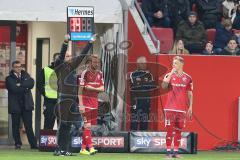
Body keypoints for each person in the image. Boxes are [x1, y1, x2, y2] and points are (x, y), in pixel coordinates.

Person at [54, 34, 96, 156]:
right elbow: (61, 55)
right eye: (67, 56)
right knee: (63, 125)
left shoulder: (71, 67)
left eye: (70, 56)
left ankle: (65, 150)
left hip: (73, 99)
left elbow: (81, 56)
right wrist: (65, 42)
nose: (69, 57)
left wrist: (90, 42)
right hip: (64, 98)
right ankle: (60, 149)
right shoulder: (59, 66)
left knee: (68, 126)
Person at [161, 56, 193, 158]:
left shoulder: (188, 78)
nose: (173, 65)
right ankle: (168, 152)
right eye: (173, 63)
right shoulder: (169, 75)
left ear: (181, 64)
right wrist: (171, 73)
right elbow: (163, 86)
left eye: (176, 63)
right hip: (169, 108)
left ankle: (175, 152)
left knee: (179, 130)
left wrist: (191, 107)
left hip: (181, 109)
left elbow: (190, 93)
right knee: (169, 130)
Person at [5, 61, 37, 149]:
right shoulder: (9, 78)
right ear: (12, 68)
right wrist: (25, 87)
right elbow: (13, 88)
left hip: (27, 105)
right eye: (16, 67)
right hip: (15, 105)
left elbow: (31, 83)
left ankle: (33, 144)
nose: (18, 68)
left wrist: (20, 85)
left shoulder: (26, 75)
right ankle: (18, 143)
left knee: (28, 126)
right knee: (15, 126)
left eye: (20, 66)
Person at [78, 54, 104, 155]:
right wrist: (81, 104)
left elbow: (102, 89)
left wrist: (90, 88)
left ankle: (83, 149)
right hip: (85, 103)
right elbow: (80, 90)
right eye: (94, 62)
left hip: (94, 103)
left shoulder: (100, 74)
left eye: (98, 62)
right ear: (90, 63)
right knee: (87, 125)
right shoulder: (85, 73)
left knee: (88, 127)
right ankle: (91, 147)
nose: (97, 64)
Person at [129, 56, 156, 131]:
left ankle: (143, 140)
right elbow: (135, 86)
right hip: (136, 102)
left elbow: (152, 86)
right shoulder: (133, 74)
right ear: (138, 64)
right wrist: (145, 83)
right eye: (142, 63)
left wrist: (143, 83)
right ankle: (132, 140)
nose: (144, 65)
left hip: (146, 102)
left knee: (144, 123)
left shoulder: (149, 75)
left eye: (145, 63)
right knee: (134, 122)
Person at [37, 53, 60, 129]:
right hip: (49, 102)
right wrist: (46, 94)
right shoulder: (46, 70)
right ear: (53, 59)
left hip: (62, 101)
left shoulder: (65, 70)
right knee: (48, 124)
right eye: (56, 59)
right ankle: (46, 141)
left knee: (62, 126)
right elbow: (39, 84)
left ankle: (62, 141)